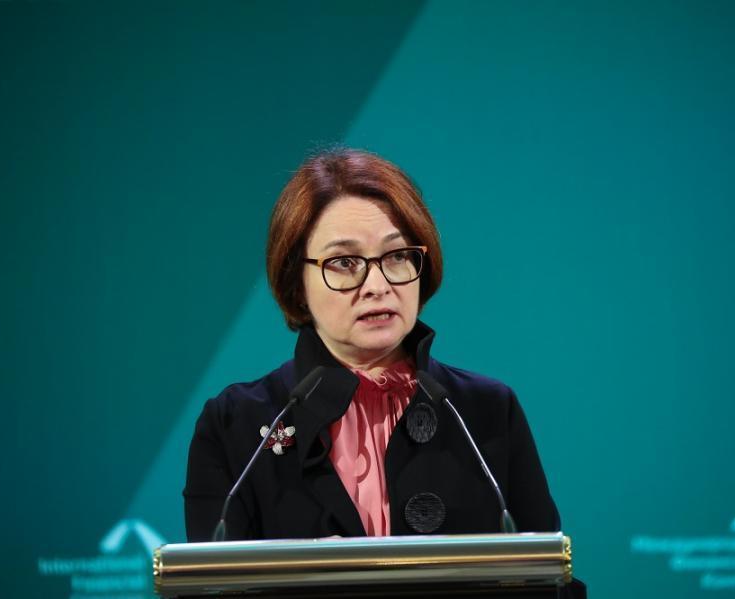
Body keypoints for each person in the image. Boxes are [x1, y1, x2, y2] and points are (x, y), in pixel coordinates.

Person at [183, 148, 560, 541]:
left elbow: (543, 568)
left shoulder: (487, 411)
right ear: (297, 285)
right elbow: (214, 574)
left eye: (397, 256)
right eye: (344, 262)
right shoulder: (235, 425)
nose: (377, 286)